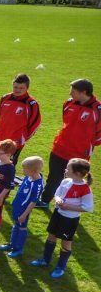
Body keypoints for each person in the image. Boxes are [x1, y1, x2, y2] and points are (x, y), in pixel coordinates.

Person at [38, 78, 100, 207]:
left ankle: (71, 206)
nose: (70, 94)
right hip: (60, 147)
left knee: (75, 180)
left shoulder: (97, 109)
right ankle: (45, 200)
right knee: (54, 176)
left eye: (73, 91)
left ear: (83, 92)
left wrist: (86, 143)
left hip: (79, 153)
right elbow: (66, 122)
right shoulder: (68, 103)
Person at [31, 158, 93, 278]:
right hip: (58, 214)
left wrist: (68, 206)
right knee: (51, 236)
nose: (65, 169)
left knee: (66, 243)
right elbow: (57, 193)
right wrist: (58, 199)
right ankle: (45, 259)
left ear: (78, 173)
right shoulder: (66, 181)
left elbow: (87, 208)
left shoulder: (85, 189)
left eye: (68, 168)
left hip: (70, 220)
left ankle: (60, 267)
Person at [0, 74, 41, 182]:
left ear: (27, 88)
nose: (17, 90)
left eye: (21, 88)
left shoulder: (31, 104)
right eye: (15, 87)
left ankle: (2, 190)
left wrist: (22, 139)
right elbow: (1, 115)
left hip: (14, 142)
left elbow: (35, 124)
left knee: (6, 167)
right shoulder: (5, 98)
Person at [0, 156, 44, 257]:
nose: (23, 171)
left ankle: (18, 249)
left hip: (24, 210)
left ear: (33, 170)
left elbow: (33, 202)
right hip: (17, 206)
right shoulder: (29, 177)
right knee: (16, 225)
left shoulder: (37, 185)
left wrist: (24, 214)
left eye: (25, 169)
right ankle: (11, 244)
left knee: (22, 227)